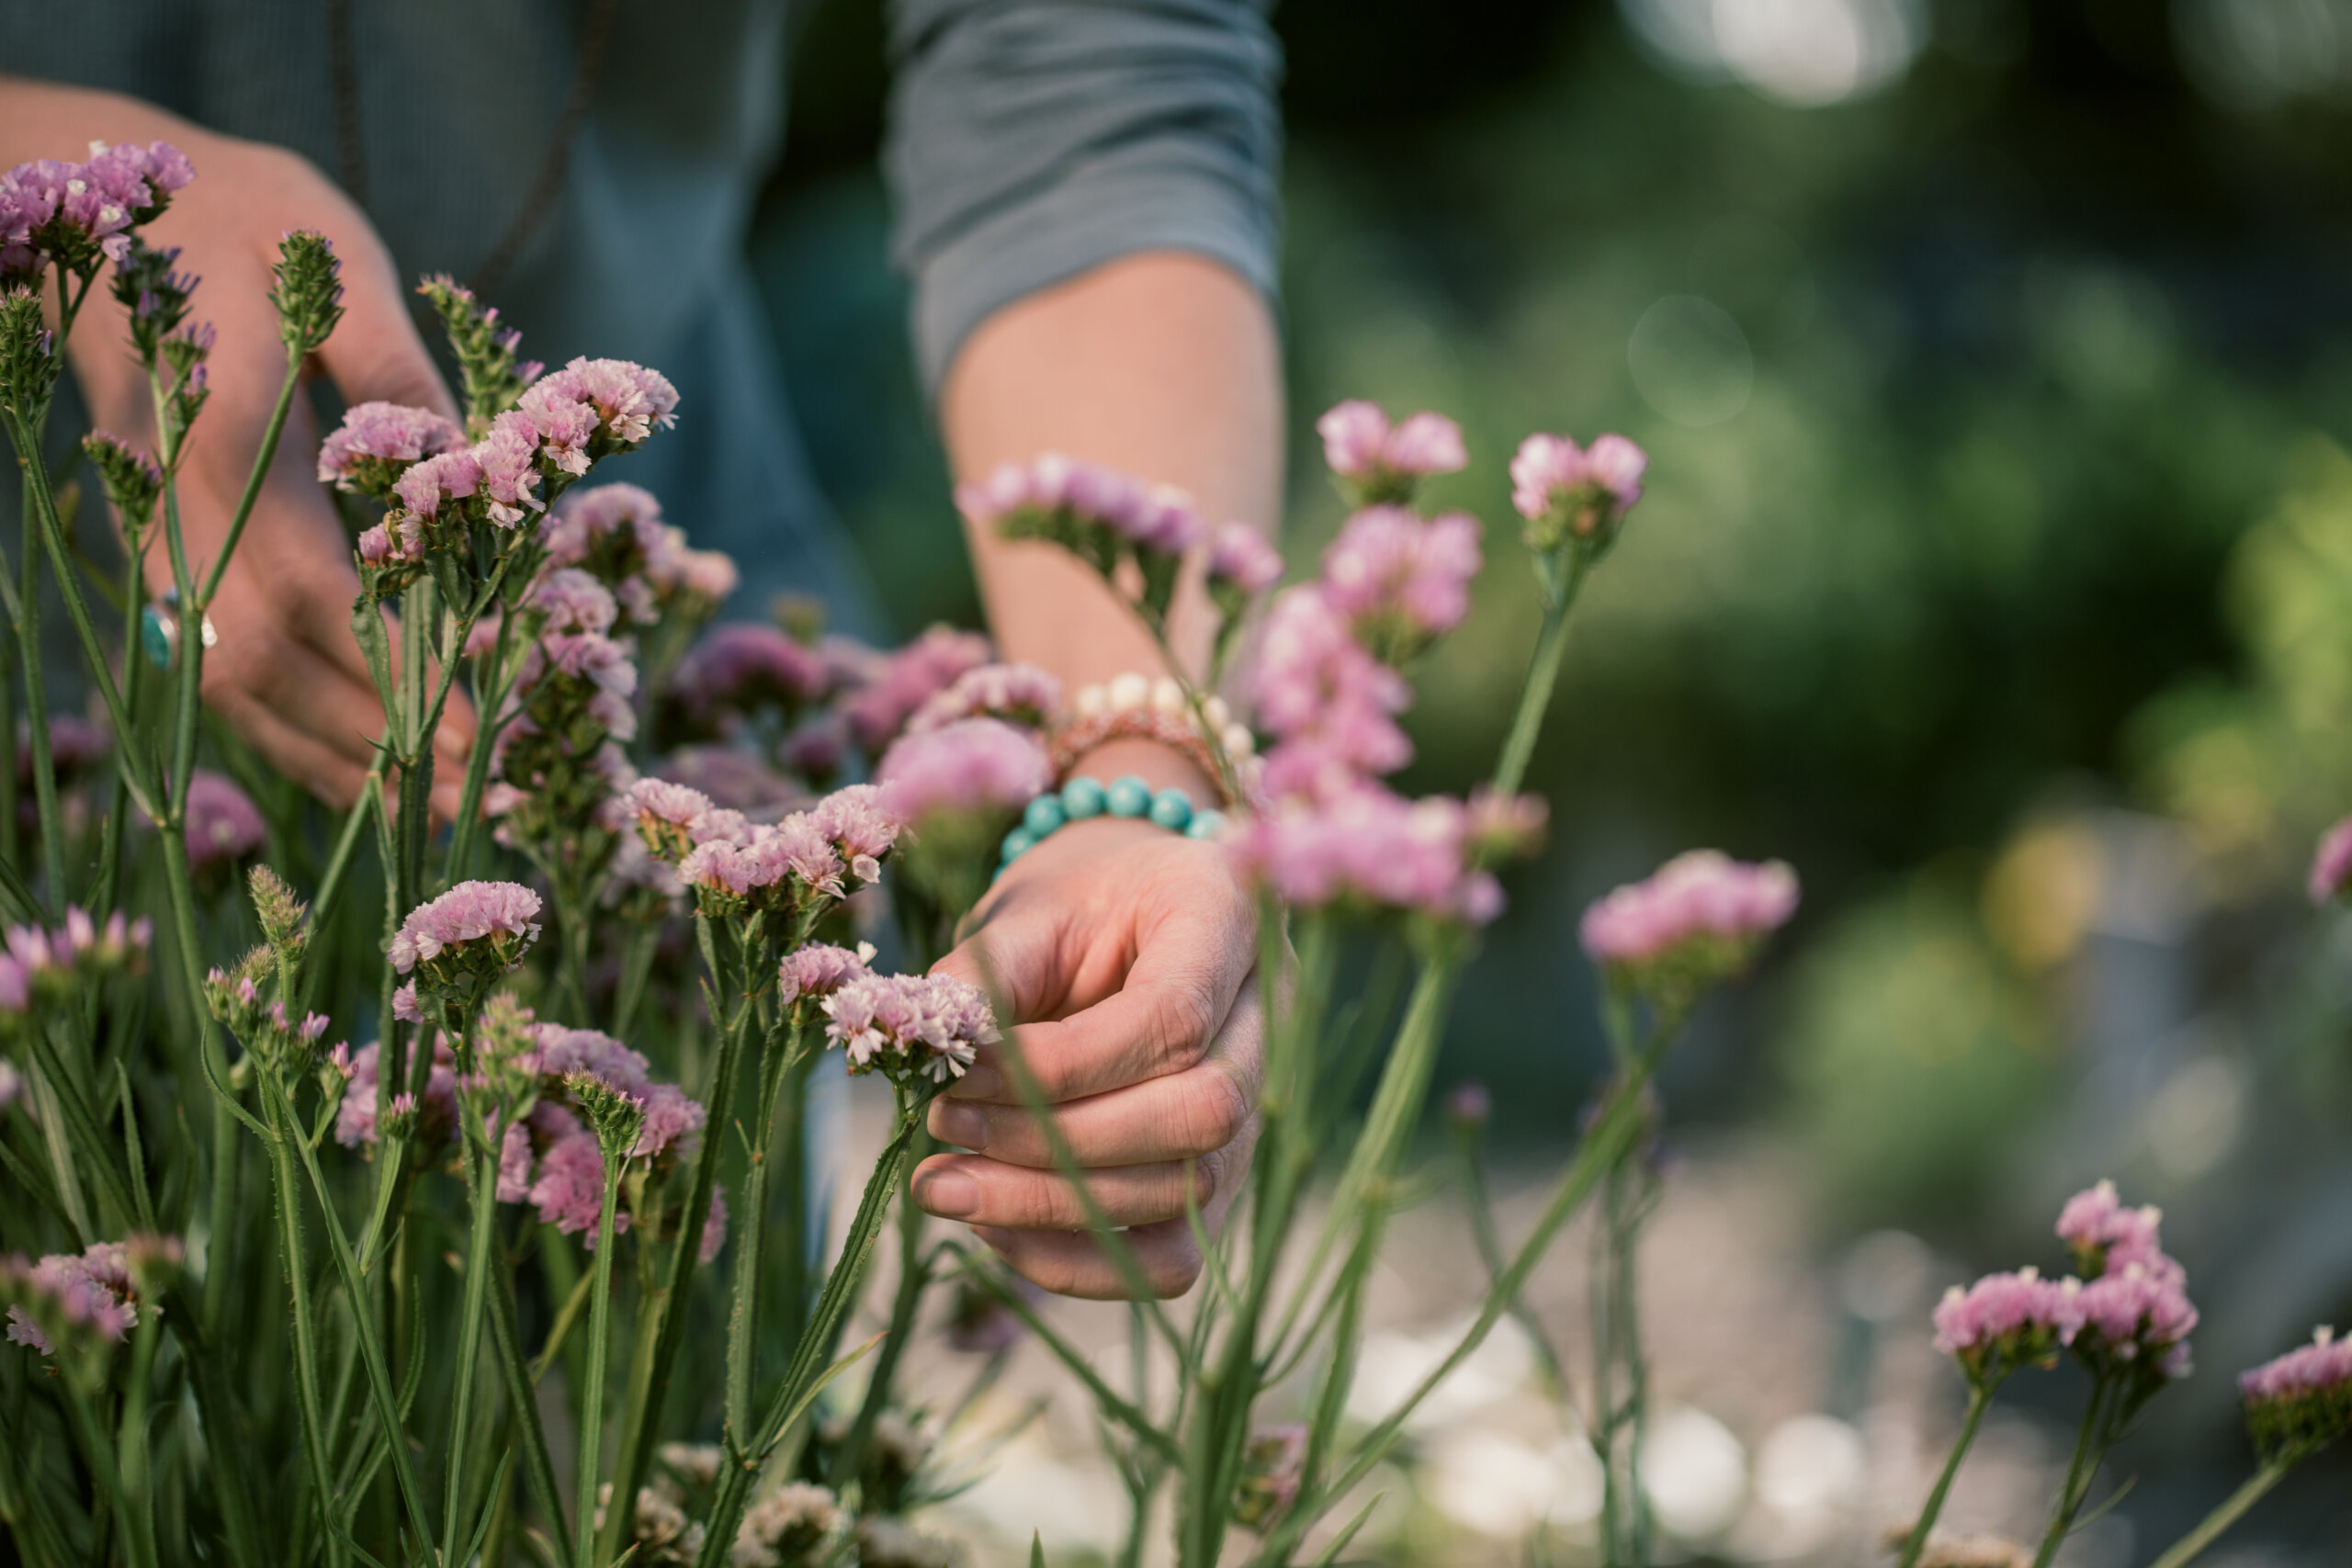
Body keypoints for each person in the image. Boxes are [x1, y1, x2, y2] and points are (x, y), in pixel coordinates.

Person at [0, 0, 1283, 1301]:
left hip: (643, 716)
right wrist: (57, 188)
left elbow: (1087, 78)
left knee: (610, 1447)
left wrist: (1133, 770)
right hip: (44, 699)